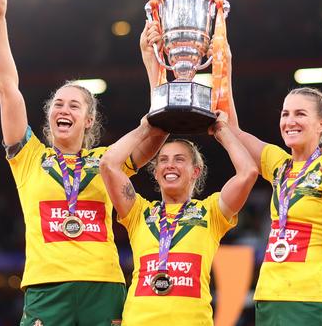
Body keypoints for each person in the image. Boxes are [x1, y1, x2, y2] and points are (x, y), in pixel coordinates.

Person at [0, 0, 167, 325]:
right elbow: (8, 88)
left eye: (73, 105)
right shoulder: (28, 157)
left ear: (88, 121)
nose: (62, 109)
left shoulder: (108, 161)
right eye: (57, 103)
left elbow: (156, 130)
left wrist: (151, 63)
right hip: (46, 288)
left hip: (103, 287)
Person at [227, 80, 322, 324]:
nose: (290, 121)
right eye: (285, 114)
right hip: (269, 299)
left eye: (300, 114)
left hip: (313, 302)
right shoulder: (278, 166)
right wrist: (224, 62)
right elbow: (231, 130)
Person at [98, 112, 258, 326]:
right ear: (156, 173)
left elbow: (248, 172)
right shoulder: (138, 211)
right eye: (163, 160)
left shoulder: (211, 212)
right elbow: (108, 164)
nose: (169, 165)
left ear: (195, 171)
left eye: (179, 159)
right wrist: (145, 128)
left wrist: (222, 131)